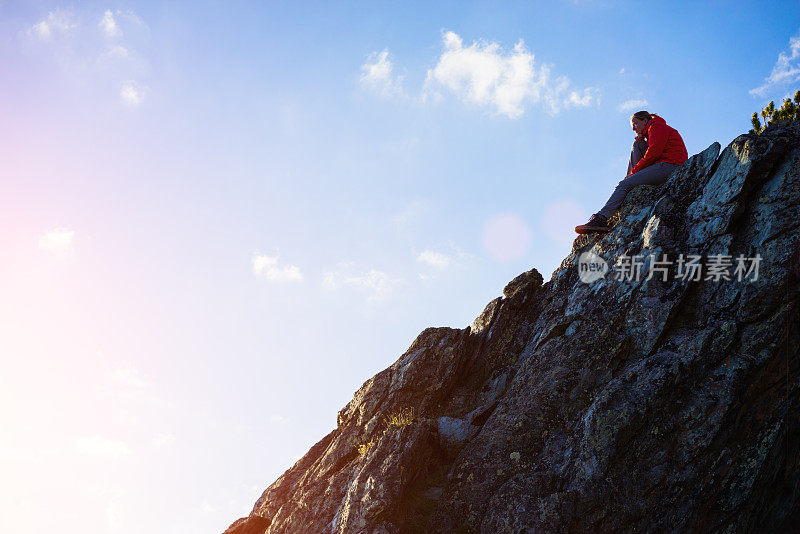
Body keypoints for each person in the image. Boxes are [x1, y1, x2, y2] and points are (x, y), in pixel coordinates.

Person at [575, 111, 688, 234]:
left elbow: (654, 153)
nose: (633, 128)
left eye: (635, 124)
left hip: (669, 166)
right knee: (637, 144)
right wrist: (641, 142)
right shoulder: (652, 130)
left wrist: (633, 173)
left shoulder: (657, 126)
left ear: (645, 120)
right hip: (663, 164)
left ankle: (601, 219)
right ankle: (628, 182)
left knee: (623, 185)